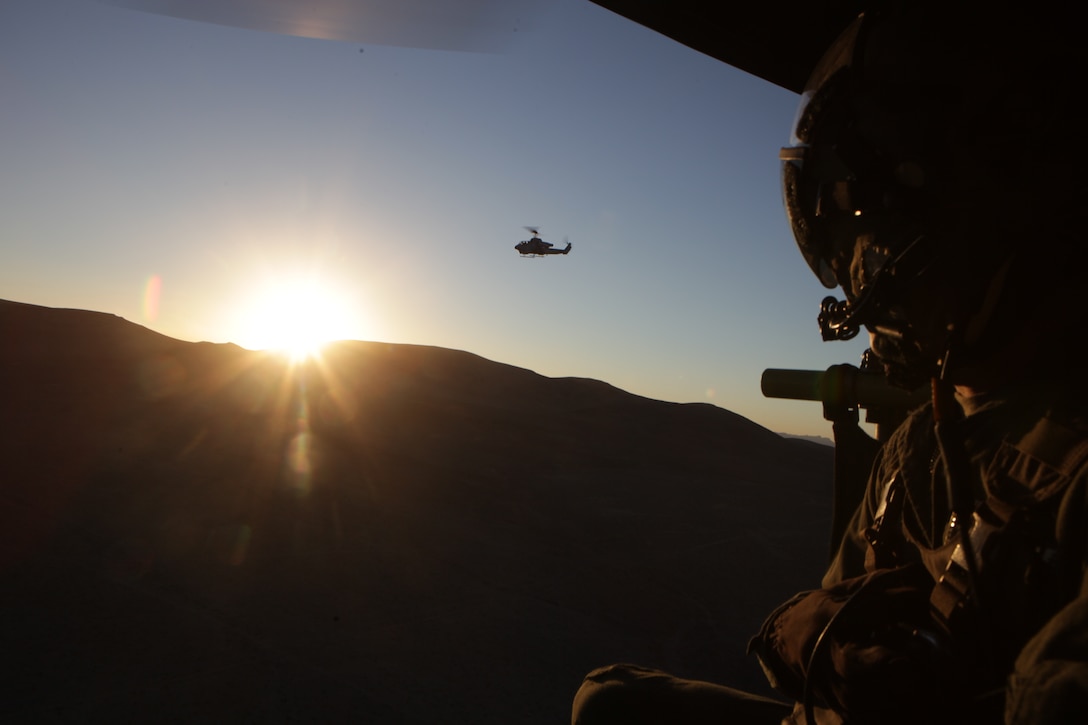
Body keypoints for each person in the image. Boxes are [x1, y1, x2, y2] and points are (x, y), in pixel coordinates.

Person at [572, 3, 1088, 723]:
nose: (861, 278)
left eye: (876, 241)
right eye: (848, 248)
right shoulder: (924, 439)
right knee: (608, 701)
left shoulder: (1065, 466)